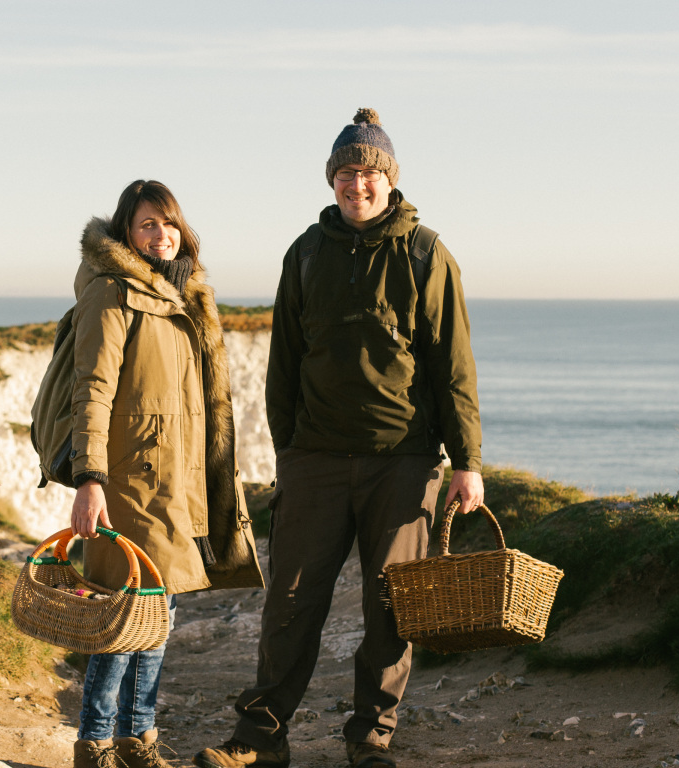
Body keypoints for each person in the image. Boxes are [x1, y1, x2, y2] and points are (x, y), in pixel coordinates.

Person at [194, 109, 484, 768]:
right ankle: (261, 738)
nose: (358, 184)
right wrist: (290, 452)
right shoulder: (304, 253)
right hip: (316, 462)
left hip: (403, 463)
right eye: (346, 173)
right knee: (290, 601)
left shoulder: (426, 254)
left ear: (388, 180)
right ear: (332, 181)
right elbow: (284, 366)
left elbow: (452, 366)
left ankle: (371, 741)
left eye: (368, 172)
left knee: (391, 608)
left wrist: (466, 460)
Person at [69, 180, 264, 768]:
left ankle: (139, 741)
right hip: (130, 483)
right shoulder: (112, 293)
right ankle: (95, 744)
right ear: (126, 231)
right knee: (123, 617)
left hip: (180, 484)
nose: (161, 235)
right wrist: (89, 477)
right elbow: (94, 389)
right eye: (148, 224)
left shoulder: (186, 299)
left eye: (169, 224)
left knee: (161, 616)